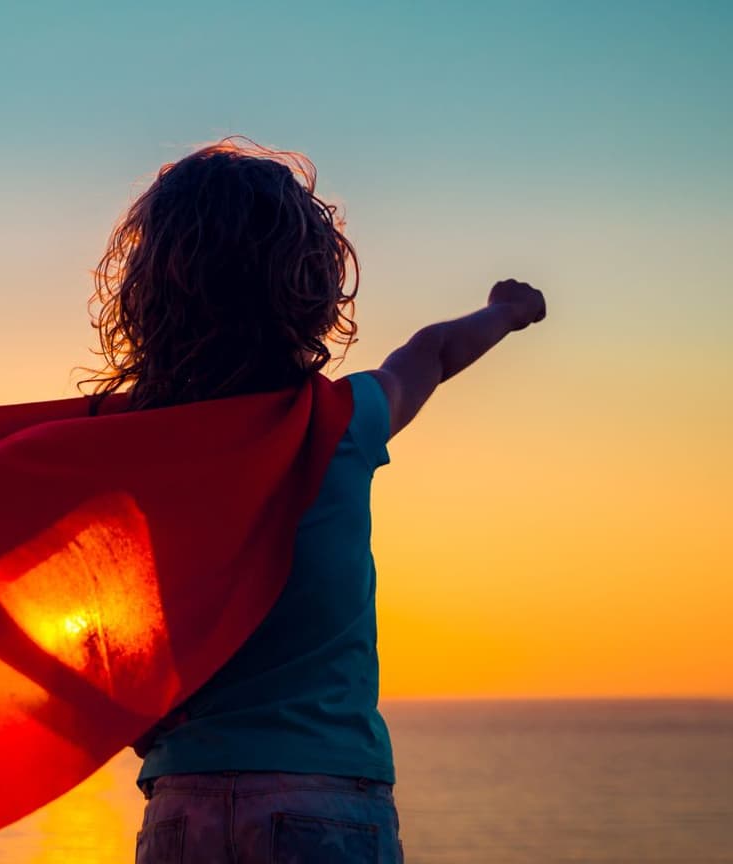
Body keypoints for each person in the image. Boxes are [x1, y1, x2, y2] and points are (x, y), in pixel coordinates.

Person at [87, 138, 547, 863]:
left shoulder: (135, 450)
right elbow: (428, 353)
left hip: (184, 803)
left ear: (149, 295)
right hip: (320, 798)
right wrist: (505, 313)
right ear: (311, 286)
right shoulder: (337, 422)